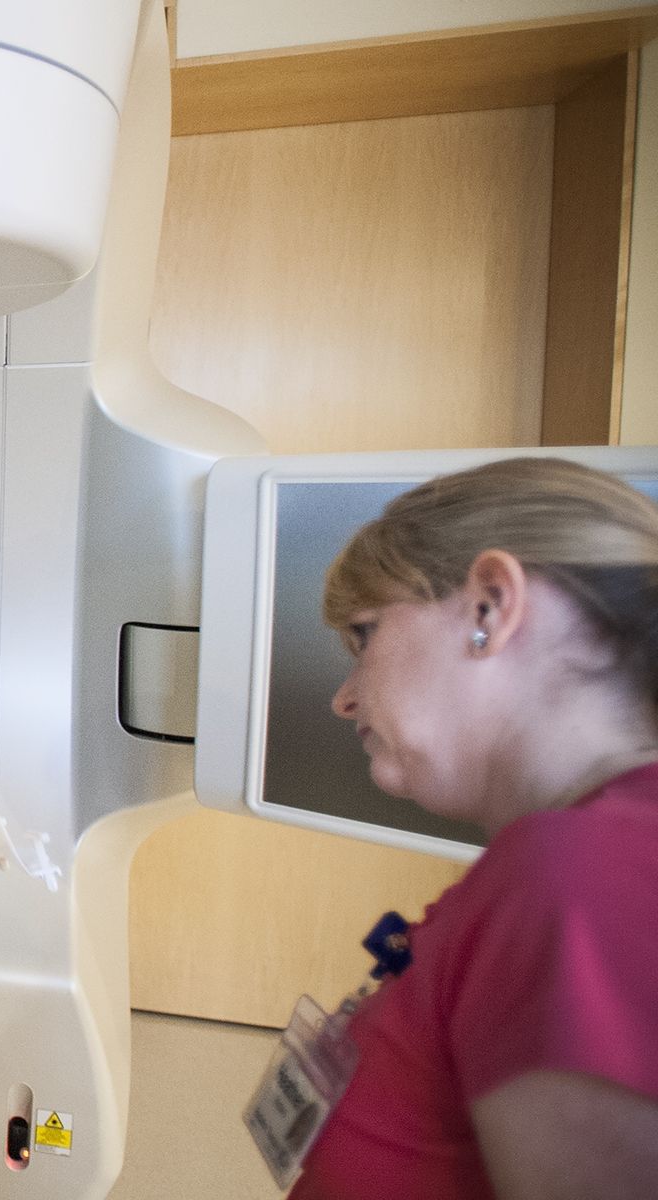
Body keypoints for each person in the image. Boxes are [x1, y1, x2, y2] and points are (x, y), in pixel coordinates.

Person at [286, 457, 658, 1199]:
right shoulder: (580, 854)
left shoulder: (578, 869)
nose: (345, 700)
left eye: (364, 636)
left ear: (491, 603)